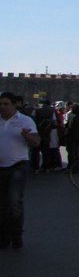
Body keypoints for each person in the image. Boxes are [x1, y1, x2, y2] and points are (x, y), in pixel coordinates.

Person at [0, 91, 40, 249]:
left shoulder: (25, 121)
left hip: (18, 165)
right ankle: (4, 236)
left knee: (14, 201)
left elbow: (36, 142)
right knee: (2, 204)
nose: (2, 107)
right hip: (1, 167)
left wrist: (27, 136)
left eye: (6, 104)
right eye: (0, 104)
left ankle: (16, 235)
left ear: (13, 104)